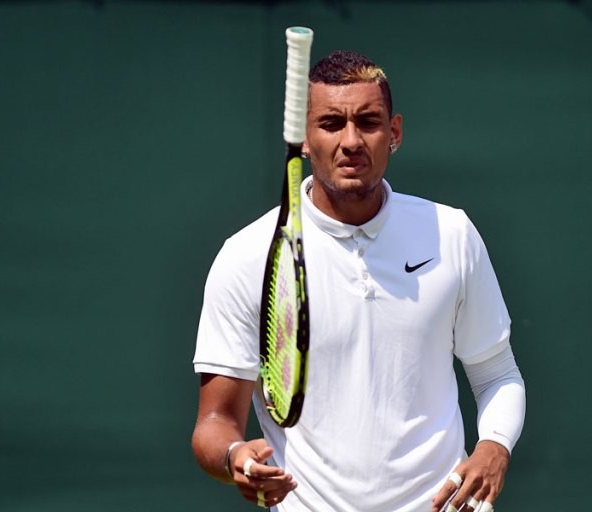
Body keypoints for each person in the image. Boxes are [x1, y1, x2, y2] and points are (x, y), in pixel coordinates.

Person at [192, 50, 525, 512]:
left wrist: (494, 446)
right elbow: (214, 421)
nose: (351, 141)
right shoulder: (247, 257)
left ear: (394, 133)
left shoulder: (452, 234)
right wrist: (236, 458)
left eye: (368, 122)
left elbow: (497, 374)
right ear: (304, 138)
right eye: (331, 124)